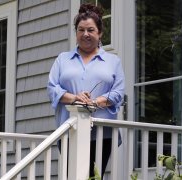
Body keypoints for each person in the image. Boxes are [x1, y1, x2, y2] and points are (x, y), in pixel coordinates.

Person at [47, 3, 125, 179]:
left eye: (90, 29)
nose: (85, 34)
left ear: (100, 33)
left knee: (93, 176)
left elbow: (118, 93)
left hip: (102, 135)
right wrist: (75, 98)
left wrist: (94, 102)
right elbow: (52, 88)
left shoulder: (113, 62)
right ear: (76, 33)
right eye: (81, 30)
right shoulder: (62, 59)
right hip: (69, 132)